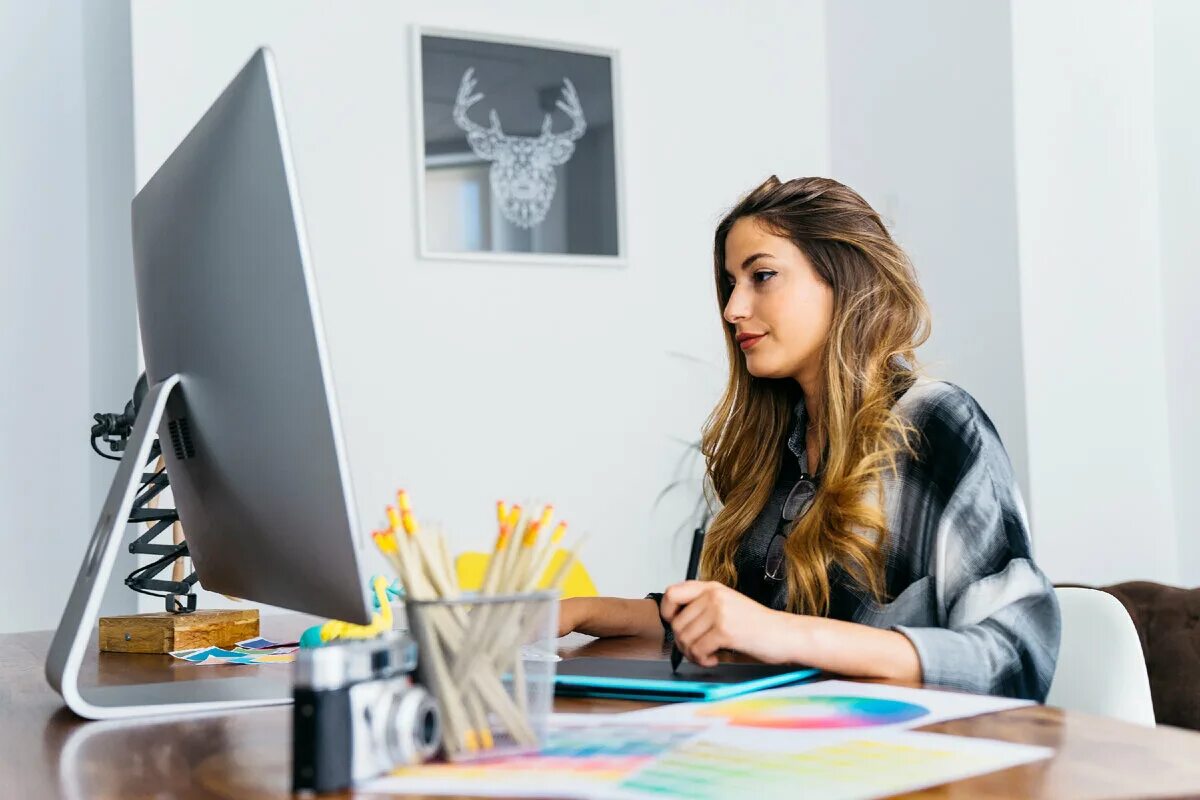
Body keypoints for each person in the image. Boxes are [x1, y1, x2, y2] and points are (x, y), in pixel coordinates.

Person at [558, 176, 1060, 701]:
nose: (733, 310)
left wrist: (779, 633)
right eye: (732, 284)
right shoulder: (779, 446)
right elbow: (732, 630)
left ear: (844, 280)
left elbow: (1016, 658)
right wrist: (577, 612)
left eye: (763, 276)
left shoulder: (933, 425)